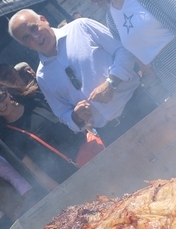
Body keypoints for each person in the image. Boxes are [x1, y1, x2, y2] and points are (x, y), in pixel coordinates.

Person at [9, 9, 158, 145]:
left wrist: (111, 82)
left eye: (34, 28)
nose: (35, 37)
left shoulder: (81, 27)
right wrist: (76, 116)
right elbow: (62, 113)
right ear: (24, 45)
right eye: (27, 37)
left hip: (139, 105)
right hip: (111, 133)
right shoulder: (42, 76)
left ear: (43, 19)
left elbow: (123, 50)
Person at [0, 80, 87, 188]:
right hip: (66, 179)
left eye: (0, 97)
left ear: (6, 91)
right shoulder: (6, 137)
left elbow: (69, 116)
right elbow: (34, 169)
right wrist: (62, 191)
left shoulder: (34, 99)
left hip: (88, 151)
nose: (0, 105)